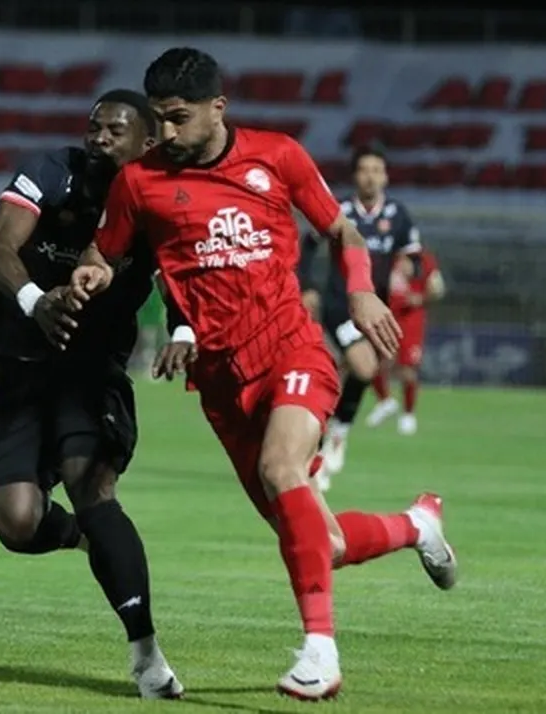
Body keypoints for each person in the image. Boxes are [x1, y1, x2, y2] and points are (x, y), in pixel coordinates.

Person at [70, 48, 458, 701]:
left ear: (217, 108)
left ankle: (320, 654)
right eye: (159, 119)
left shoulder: (277, 156)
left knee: (282, 469)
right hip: (222, 385)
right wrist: (92, 270)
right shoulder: (138, 182)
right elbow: (104, 251)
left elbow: (342, 231)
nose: (165, 132)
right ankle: (417, 525)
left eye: (178, 117)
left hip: (292, 350)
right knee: (322, 544)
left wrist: (362, 291)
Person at [0, 89, 184, 699]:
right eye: (94, 127)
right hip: (18, 367)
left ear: (147, 143)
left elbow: (178, 275)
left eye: (115, 131)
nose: (99, 138)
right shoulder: (50, 171)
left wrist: (185, 330)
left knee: (90, 487)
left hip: (92, 374)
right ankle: (88, 537)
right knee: (16, 522)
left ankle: (146, 654)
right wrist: (36, 301)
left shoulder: (156, 199)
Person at [298, 146, 423, 487]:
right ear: (355, 175)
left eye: (376, 170)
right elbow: (307, 245)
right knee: (364, 367)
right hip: (341, 305)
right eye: (364, 170)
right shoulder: (339, 210)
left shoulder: (397, 215)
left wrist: (407, 267)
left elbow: (415, 257)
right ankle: (336, 437)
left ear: (386, 176)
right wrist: (308, 286)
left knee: (345, 375)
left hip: (376, 310)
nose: (370, 177)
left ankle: (321, 444)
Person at [367, 247, 445, 434]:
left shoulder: (424, 259)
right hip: (386, 315)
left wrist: (421, 298)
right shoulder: (386, 253)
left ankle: (408, 414)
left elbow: (438, 288)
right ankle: (385, 401)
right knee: (372, 362)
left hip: (411, 320)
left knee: (407, 369)